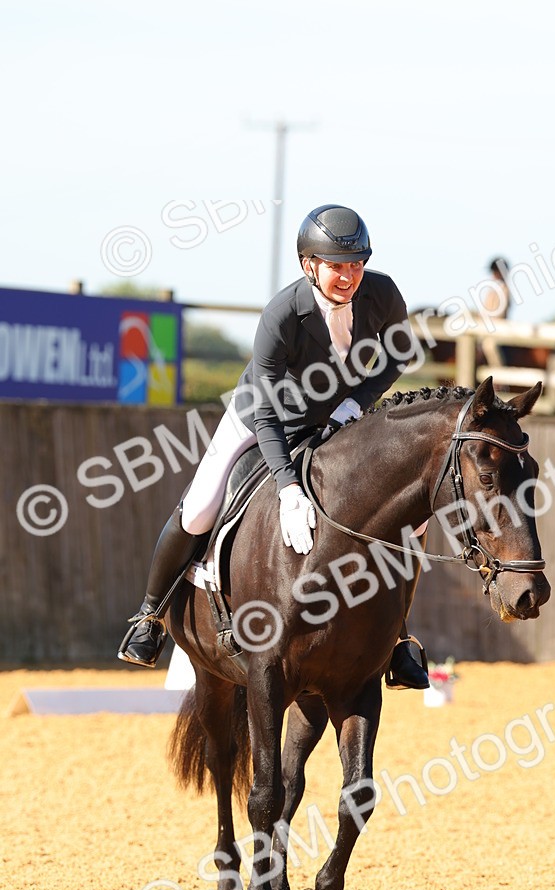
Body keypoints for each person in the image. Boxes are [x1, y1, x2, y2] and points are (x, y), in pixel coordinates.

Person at [118, 204, 429, 688]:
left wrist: (356, 404)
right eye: (336, 266)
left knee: (405, 511)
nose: (348, 276)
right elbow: (265, 411)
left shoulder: (382, 294)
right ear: (310, 265)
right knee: (201, 508)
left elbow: (398, 356)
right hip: (262, 416)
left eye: (356, 264)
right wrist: (287, 486)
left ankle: (399, 638)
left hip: (337, 416)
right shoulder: (283, 313)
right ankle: (150, 615)